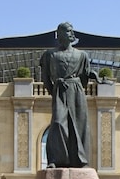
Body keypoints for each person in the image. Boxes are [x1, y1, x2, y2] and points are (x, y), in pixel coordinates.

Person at [40, 22, 96, 169]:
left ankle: (80, 160)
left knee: (79, 124)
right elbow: (45, 77)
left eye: (72, 31)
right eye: (68, 31)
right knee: (58, 123)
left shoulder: (82, 55)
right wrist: (55, 91)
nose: (71, 33)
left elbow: (84, 77)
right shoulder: (50, 54)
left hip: (76, 91)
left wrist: (91, 76)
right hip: (60, 89)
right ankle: (56, 160)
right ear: (60, 34)